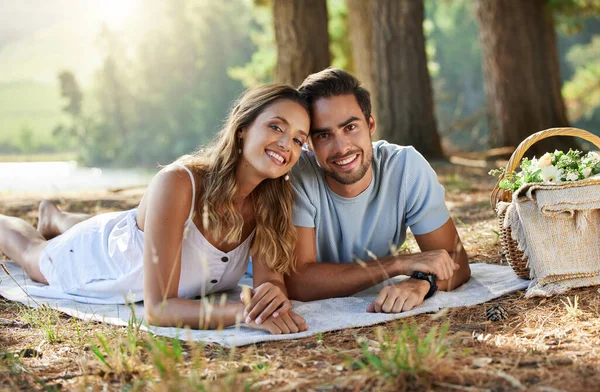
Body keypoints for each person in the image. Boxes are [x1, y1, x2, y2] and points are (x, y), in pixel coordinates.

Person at [0, 84, 310, 335]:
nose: (286, 144)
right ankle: (44, 220)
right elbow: (159, 309)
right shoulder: (179, 182)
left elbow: (270, 283)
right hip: (100, 259)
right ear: (243, 127)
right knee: (30, 252)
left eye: (298, 139)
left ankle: (55, 216)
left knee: (120, 224)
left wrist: (272, 294)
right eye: (275, 127)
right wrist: (241, 313)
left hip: (131, 231)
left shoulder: (273, 203)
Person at [281, 68, 472, 314]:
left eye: (350, 127)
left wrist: (423, 283)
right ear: (308, 142)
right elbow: (299, 282)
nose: (342, 148)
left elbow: (456, 261)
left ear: (370, 124)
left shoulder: (406, 168)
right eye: (324, 135)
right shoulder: (297, 176)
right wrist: (398, 263)